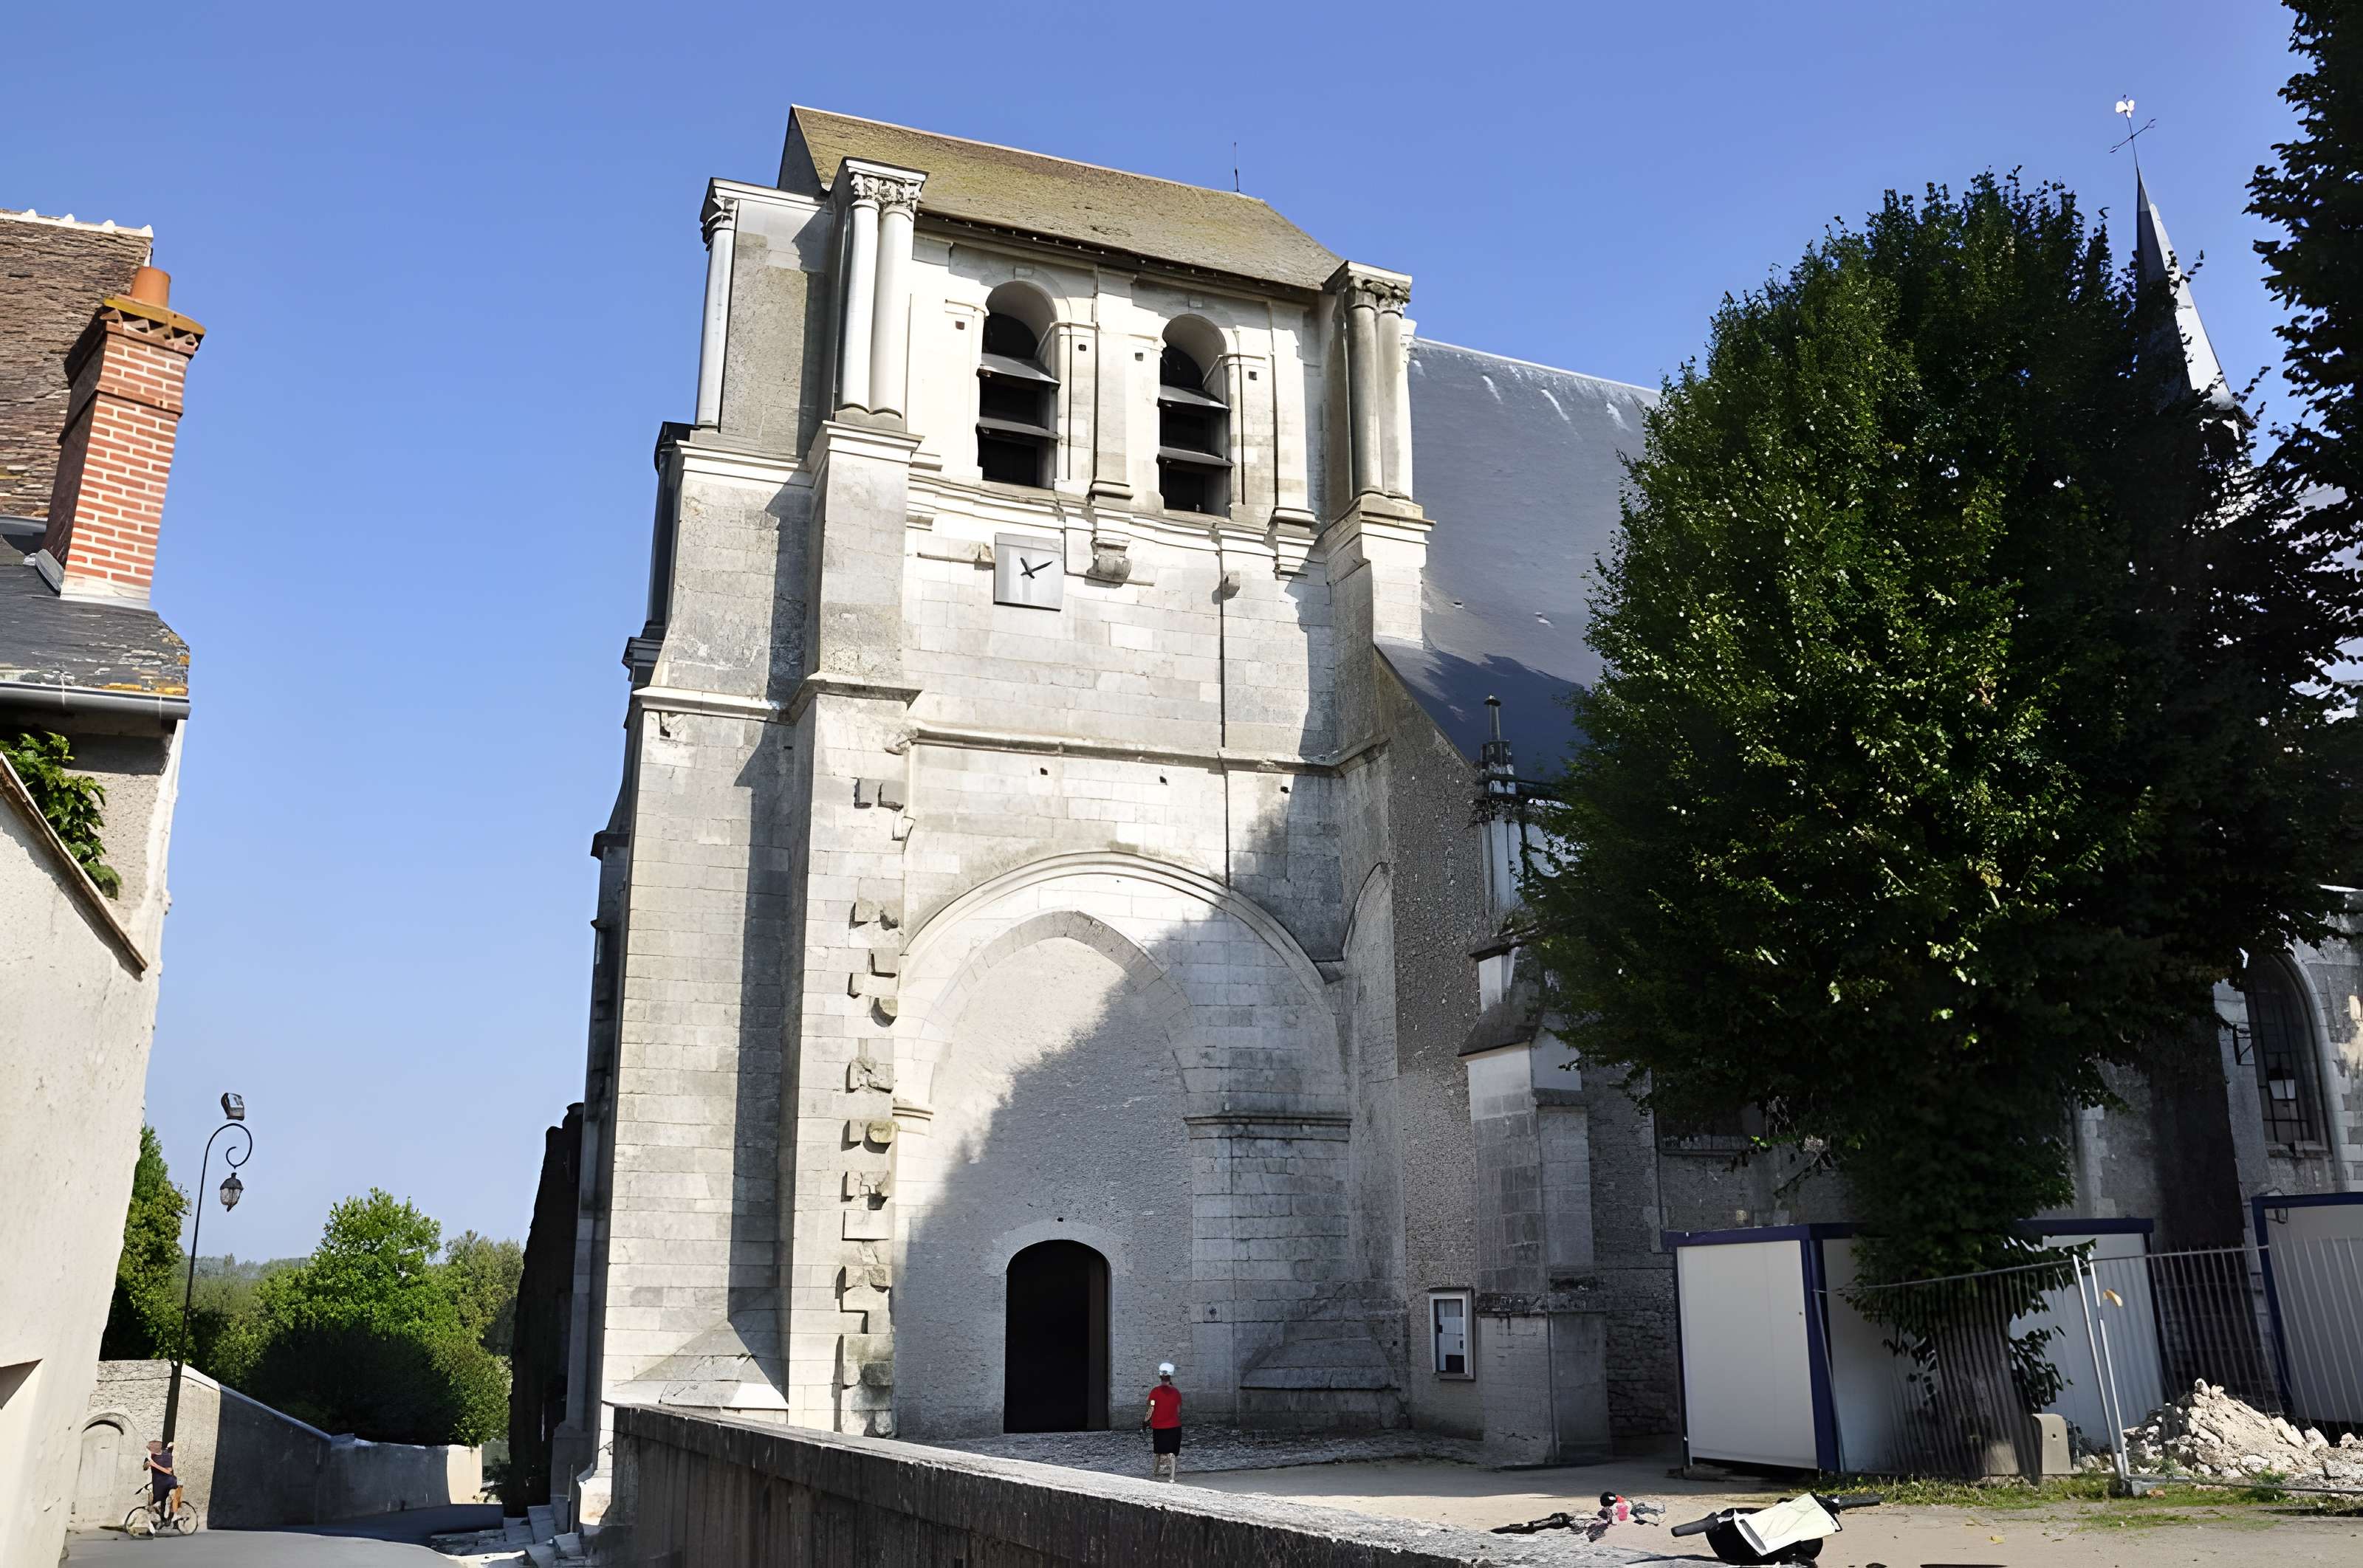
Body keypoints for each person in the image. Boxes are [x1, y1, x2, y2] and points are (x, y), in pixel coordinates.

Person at [1141, 1361, 1182, 1482]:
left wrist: (1145, 1421)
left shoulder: (1155, 1392)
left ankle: (1155, 1472)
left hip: (1159, 1427)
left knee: (1158, 1452)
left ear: (1160, 1376)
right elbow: (1178, 1410)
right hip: (1174, 1426)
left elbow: (1151, 1408)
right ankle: (1172, 1477)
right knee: (1172, 1454)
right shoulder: (1176, 1393)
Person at [143, 1439, 177, 1519]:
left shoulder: (166, 1454)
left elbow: (169, 1471)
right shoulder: (151, 1457)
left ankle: (171, 1517)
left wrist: (154, 1465)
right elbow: (145, 1467)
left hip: (170, 1481)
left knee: (174, 1496)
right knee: (157, 1501)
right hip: (158, 1482)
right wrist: (148, 1464)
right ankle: (161, 1519)